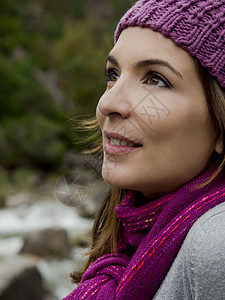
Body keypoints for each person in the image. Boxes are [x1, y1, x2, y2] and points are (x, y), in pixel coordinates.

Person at [63, 0, 225, 299]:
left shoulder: (215, 245)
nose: (107, 104)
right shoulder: (130, 235)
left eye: (156, 79)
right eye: (113, 74)